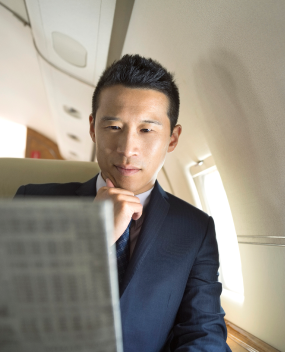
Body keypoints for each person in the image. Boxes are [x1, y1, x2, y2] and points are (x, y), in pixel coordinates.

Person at [15, 54, 231, 352]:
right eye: (114, 127)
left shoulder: (195, 229)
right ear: (92, 128)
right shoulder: (31, 203)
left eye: (146, 130)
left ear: (172, 138)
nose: (128, 148)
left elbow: (202, 333)